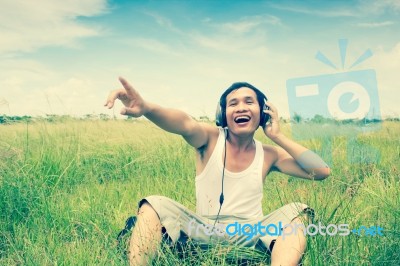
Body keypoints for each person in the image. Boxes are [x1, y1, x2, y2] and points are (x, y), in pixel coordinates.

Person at [105, 77, 330, 266]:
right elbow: (184, 123)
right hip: (202, 232)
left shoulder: (270, 154)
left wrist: (277, 136)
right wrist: (147, 108)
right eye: (233, 104)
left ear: (262, 113)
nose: (241, 107)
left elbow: (321, 171)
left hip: (250, 237)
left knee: (299, 212)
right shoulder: (210, 139)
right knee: (153, 204)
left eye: (249, 102)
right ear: (223, 115)